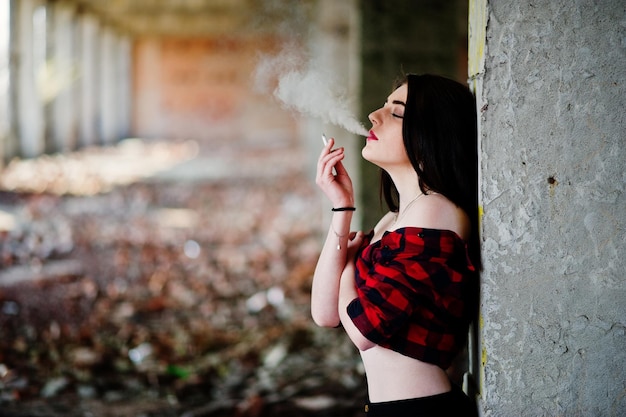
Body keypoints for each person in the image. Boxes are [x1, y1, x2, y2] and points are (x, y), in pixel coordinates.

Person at [312, 73, 480, 417]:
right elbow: (325, 313)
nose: (375, 115)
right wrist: (342, 208)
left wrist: (348, 264)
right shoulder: (395, 219)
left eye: (396, 112)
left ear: (429, 135)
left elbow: (365, 329)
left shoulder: (436, 212)